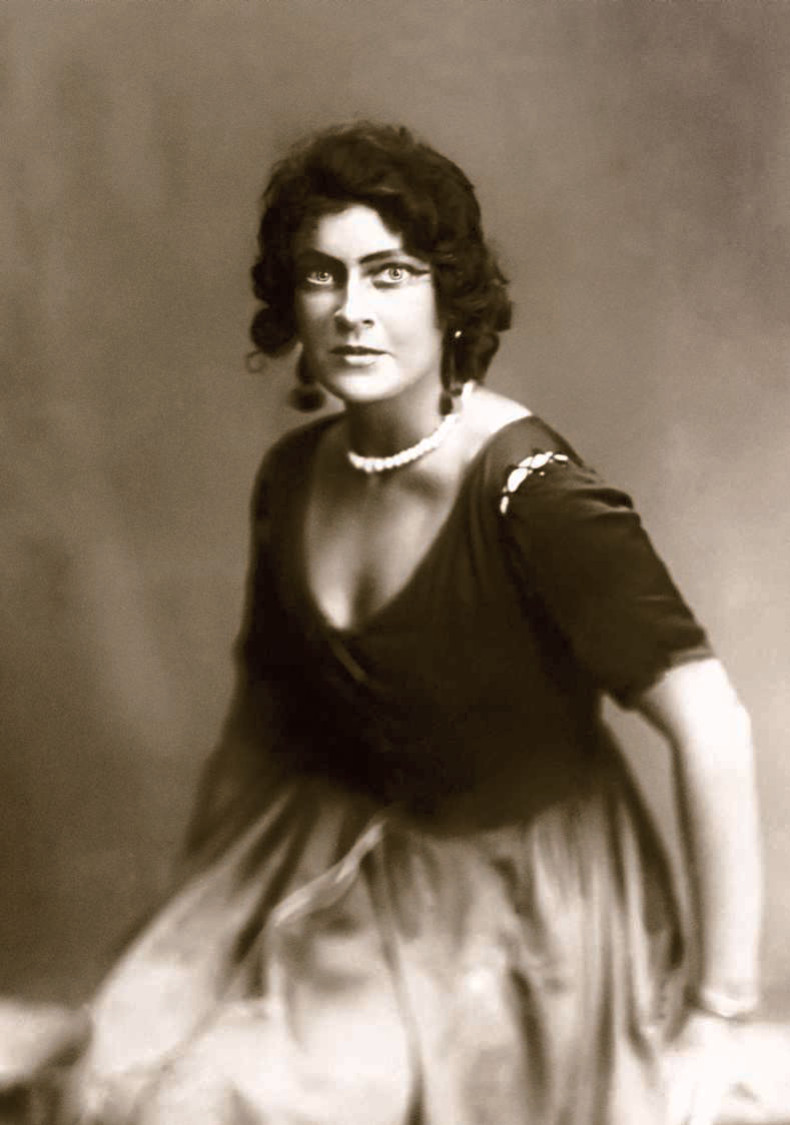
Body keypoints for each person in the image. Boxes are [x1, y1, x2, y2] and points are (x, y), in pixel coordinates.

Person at [15, 122, 761, 1124]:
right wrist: (198, 929)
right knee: (113, 1077)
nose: (352, 311)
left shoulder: (532, 495)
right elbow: (264, 724)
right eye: (321, 277)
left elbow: (713, 727)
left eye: (391, 274)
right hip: (344, 857)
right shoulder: (292, 476)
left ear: (450, 298)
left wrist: (717, 1015)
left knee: (223, 1104)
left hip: (523, 910)